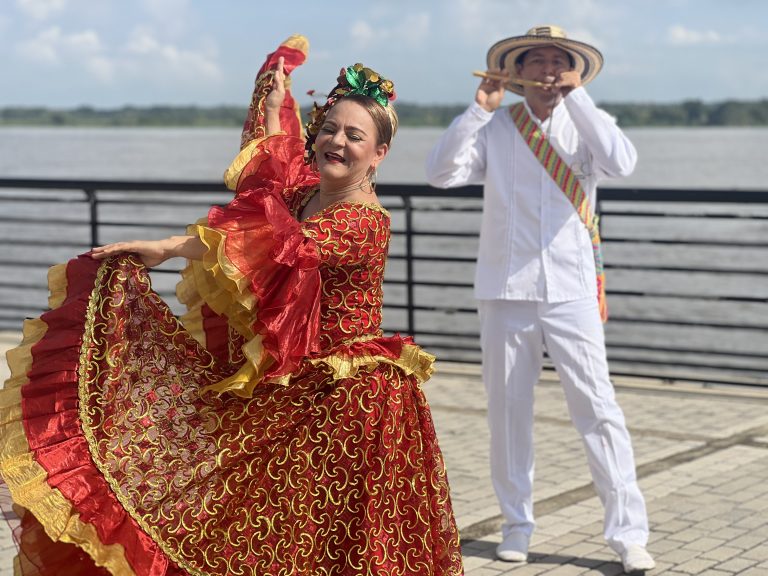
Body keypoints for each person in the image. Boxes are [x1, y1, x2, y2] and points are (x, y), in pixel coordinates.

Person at [0, 35, 464, 576]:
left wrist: (168, 247)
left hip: (351, 405)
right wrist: (272, 110)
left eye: (354, 136)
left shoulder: (361, 221)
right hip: (293, 387)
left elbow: (265, 243)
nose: (337, 142)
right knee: (270, 529)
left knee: (327, 539)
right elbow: (272, 183)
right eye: (329, 129)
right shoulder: (306, 193)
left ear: (379, 153)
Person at [425, 25, 655, 574]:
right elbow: (439, 174)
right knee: (508, 414)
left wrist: (580, 99)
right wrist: (478, 110)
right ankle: (516, 524)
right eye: (538, 61)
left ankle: (628, 534)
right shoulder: (496, 127)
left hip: (573, 290)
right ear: (517, 71)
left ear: (574, 71)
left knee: (598, 409)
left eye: (560, 61)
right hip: (505, 290)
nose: (549, 69)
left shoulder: (589, 125)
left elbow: (622, 162)